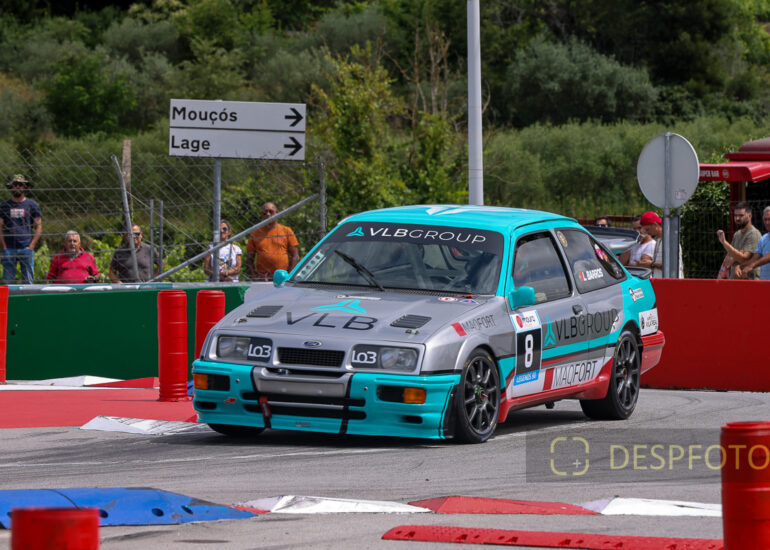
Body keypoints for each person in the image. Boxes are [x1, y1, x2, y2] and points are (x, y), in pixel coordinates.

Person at [0, 174, 42, 283]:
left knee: (28, 282)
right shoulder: (4, 205)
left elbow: (38, 226)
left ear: (25, 187)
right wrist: (4, 246)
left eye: (21, 184)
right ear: (11, 187)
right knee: (8, 282)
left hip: (26, 247)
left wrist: (31, 246)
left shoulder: (32, 205)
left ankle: (28, 296)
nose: (18, 186)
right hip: (9, 248)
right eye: (15, 184)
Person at [246, 202, 299, 281]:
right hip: (262, 277)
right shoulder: (255, 233)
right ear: (261, 215)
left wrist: (289, 276)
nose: (268, 214)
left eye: (271, 211)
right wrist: (254, 276)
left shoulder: (286, 231)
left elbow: (295, 256)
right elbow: (249, 258)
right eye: (265, 212)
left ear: (277, 213)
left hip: (282, 276)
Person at [716, 201, 761, 280]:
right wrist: (736, 255)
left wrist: (724, 242)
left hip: (749, 282)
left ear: (750, 216)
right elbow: (728, 261)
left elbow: (743, 259)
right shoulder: (737, 234)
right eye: (735, 215)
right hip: (735, 281)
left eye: (741, 215)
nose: (737, 218)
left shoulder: (753, 234)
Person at [641, 211, 684, 278]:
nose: (647, 232)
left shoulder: (670, 241)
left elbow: (673, 267)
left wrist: (651, 264)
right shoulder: (659, 240)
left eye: (647, 229)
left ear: (655, 225)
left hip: (671, 282)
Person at [736, 205, 770, 280]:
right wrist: (740, 267)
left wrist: (752, 266)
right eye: (765, 219)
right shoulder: (763, 239)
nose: (767, 222)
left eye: (769, 219)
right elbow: (754, 259)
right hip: (764, 283)